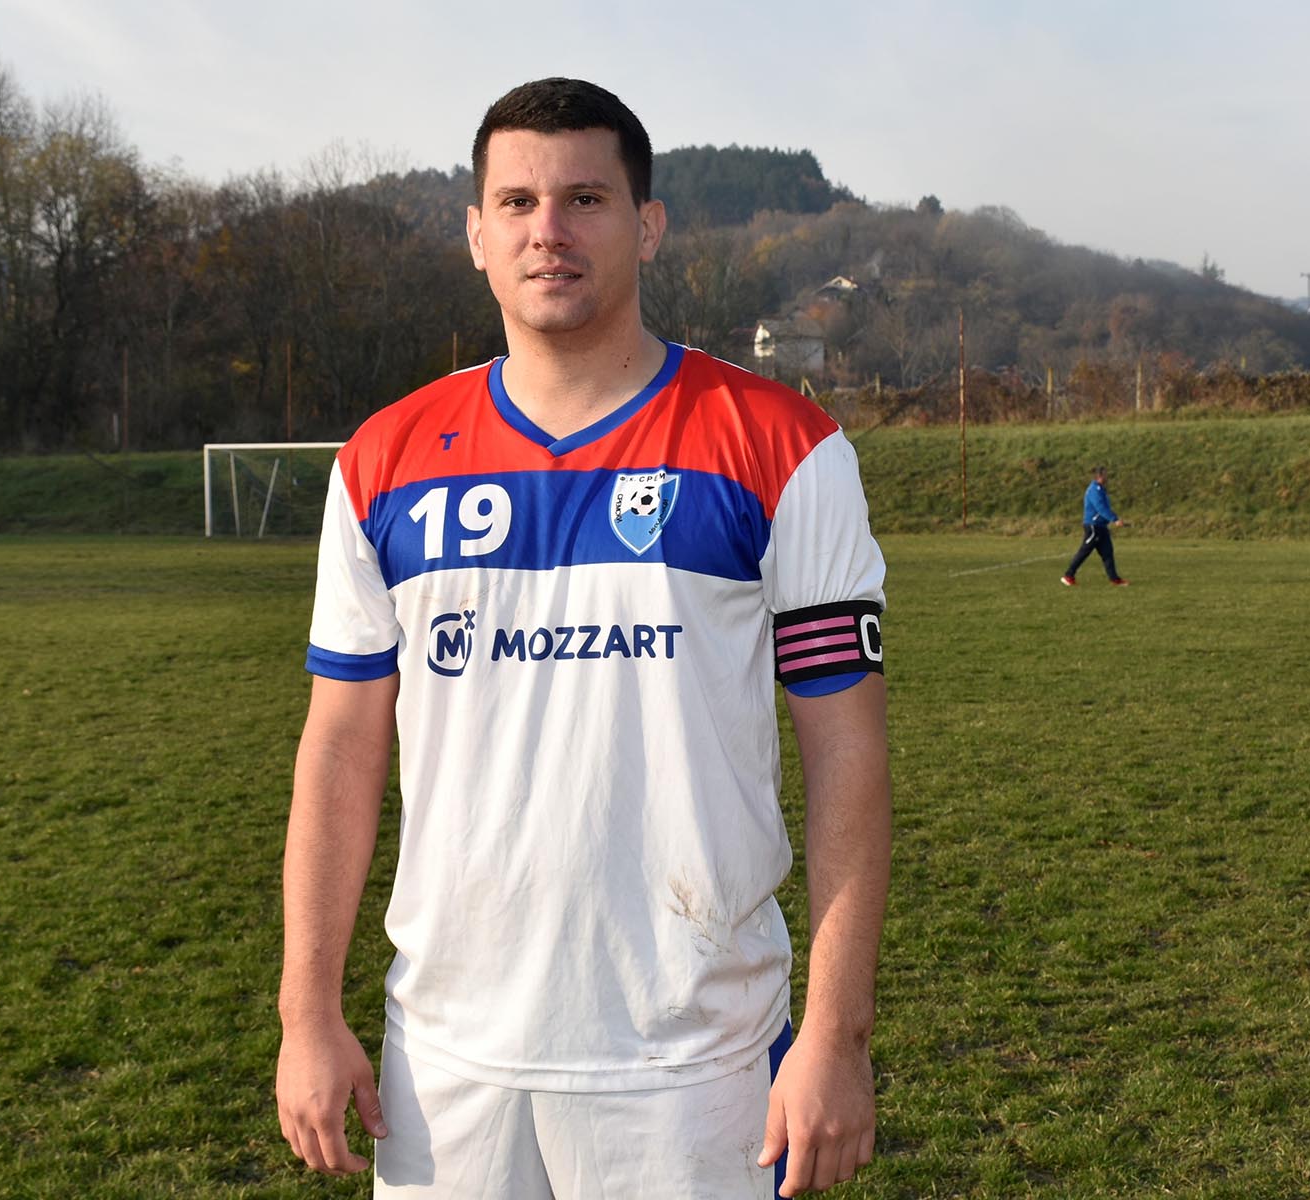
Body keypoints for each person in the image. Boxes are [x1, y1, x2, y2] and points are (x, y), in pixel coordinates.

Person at [275, 79, 891, 1200]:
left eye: (585, 199)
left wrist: (837, 1037)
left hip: (694, 1064)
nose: (547, 230)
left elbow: (846, 751)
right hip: (447, 1062)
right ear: (476, 234)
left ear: (647, 226)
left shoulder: (782, 444)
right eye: (516, 202)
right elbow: (340, 747)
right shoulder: (382, 460)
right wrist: (306, 1013)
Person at [1061, 466, 1127, 586]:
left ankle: (1114, 579)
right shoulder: (1094, 490)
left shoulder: (1101, 489)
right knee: (1084, 551)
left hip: (1101, 527)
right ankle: (1068, 575)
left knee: (1107, 552)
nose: (1107, 477)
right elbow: (1100, 508)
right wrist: (1114, 519)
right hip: (1093, 526)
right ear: (1100, 476)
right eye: (1105, 475)